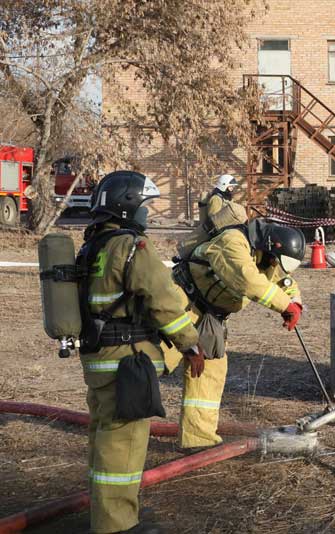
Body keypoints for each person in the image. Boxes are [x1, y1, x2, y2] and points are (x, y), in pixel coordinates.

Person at [79, 171, 203, 533]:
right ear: (128, 206)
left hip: (99, 362)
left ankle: (107, 516)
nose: (148, 214)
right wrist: (191, 344)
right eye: (145, 206)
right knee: (124, 448)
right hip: (127, 364)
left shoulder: (94, 246)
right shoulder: (134, 247)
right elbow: (164, 303)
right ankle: (117, 526)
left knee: (104, 442)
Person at [171, 219, 305, 450]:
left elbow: (284, 282)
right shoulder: (232, 243)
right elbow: (247, 279)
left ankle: (198, 440)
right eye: (275, 259)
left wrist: (295, 302)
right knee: (153, 361)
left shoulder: (265, 255)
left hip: (209, 319)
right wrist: (284, 306)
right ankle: (122, 426)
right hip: (180, 305)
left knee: (208, 374)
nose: (274, 264)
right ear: (271, 245)